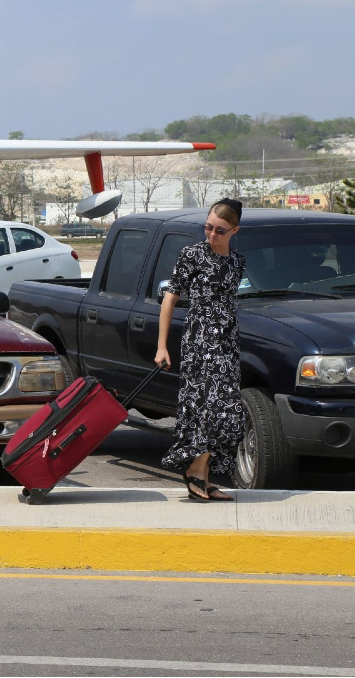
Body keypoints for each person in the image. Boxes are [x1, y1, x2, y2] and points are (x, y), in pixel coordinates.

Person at [155, 198, 247, 502]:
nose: (212, 234)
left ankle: (202, 473)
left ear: (234, 230)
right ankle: (197, 472)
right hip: (200, 340)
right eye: (208, 227)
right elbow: (169, 299)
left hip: (227, 340)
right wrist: (162, 346)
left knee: (229, 411)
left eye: (220, 230)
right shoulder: (192, 254)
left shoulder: (237, 262)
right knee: (205, 407)